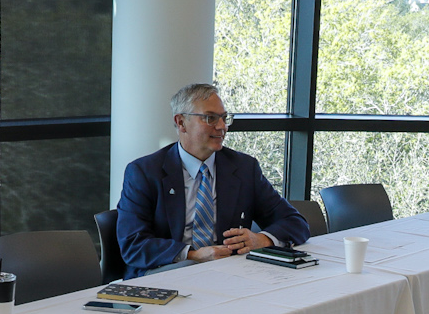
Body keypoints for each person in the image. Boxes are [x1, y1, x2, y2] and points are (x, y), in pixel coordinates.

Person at [114, 84, 311, 280]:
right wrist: (193, 255)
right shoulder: (144, 172)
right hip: (165, 273)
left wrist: (261, 239)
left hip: (228, 273)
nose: (222, 127)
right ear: (181, 122)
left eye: (224, 118)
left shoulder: (243, 168)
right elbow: (133, 244)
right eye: (210, 118)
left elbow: (295, 223)